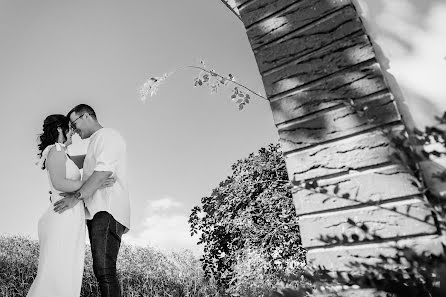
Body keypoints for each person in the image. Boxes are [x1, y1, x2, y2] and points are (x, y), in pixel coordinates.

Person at [28, 114, 114, 297]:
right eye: (70, 127)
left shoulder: (64, 154)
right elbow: (59, 183)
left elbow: (89, 159)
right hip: (63, 216)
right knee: (58, 272)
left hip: (70, 216)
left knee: (67, 271)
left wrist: (101, 148)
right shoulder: (57, 149)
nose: (73, 132)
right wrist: (94, 183)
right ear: (60, 129)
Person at [54, 104, 130, 297]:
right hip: (98, 211)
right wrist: (60, 143)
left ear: (86, 116)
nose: (74, 130)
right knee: (102, 269)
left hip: (107, 209)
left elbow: (104, 171)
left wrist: (76, 197)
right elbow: (68, 160)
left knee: (104, 269)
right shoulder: (96, 144)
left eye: (74, 123)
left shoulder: (107, 136)